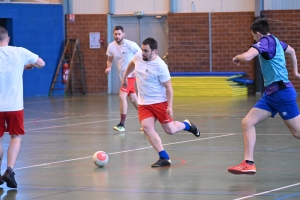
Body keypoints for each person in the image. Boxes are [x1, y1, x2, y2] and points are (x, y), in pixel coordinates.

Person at [228, 18, 300, 175]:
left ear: (258, 34)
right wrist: (295, 72)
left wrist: (238, 57)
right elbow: (292, 51)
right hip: (270, 95)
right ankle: (248, 163)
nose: (253, 38)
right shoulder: (277, 41)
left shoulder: (265, 42)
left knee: (298, 132)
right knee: (247, 122)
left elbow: (247, 57)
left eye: (253, 35)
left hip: (281, 93)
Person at [122, 38, 200, 167]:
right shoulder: (138, 56)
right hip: (144, 103)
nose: (143, 53)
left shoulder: (160, 66)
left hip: (160, 102)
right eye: (142, 50)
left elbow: (169, 88)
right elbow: (132, 63)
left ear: (154, 51)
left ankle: (187, 125)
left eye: (146, 51)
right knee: (147, 128)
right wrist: (125, 76)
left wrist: (169, 106)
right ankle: (164, 157)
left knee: (170, 130)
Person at [0, 26, 45, 188]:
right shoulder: (20, 52)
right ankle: (9, 171)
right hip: (14, 106)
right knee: (15, 137)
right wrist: (28, 65)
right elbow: (41, 63)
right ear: (8, 39)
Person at [106, 26, 141, 132]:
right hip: (122, 76)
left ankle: (122, 124)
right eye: (115, 34)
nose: (117, 36)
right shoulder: (111, 46)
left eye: (119, 34)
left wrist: (137, 69)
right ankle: (148, 120)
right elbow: (109, 60)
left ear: (123, 34)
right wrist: (108, 67)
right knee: (134, 99)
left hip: (130, 76)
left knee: (122, 96)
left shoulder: (131, 45)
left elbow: (141, 56)